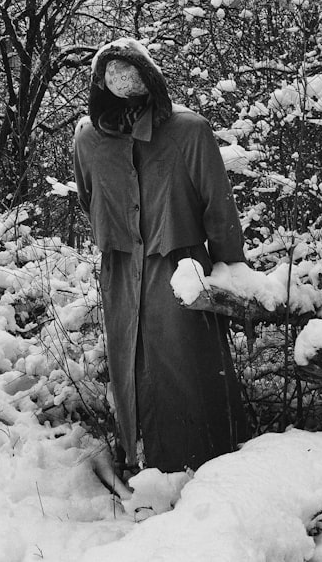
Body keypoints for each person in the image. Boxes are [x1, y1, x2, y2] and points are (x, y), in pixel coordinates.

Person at [73, 37, 249, 476]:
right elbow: (87, 196)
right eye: (111, 79)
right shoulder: (88, 141)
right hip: (119, 275)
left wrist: (230, 283)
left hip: (181, 276)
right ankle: (138, 464)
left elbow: (220, 212)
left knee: (189, 378)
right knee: (129, 373)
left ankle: (204, 472)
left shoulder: (190, 132)